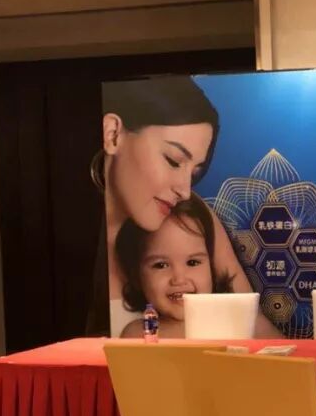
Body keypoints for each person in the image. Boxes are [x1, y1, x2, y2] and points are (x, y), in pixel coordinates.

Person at [95, 76, 277, 335]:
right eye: (173, 160)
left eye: (195, 172)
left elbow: (253, 328)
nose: (184, 190)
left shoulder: (190, 215)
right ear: (113, 134)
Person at [116, 197, 233, 338]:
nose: (179, 279)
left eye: (192, 262)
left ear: (212, 269)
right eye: (161, 265)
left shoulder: (233, 325)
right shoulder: (139, 334)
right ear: (137, 277)